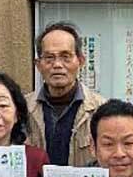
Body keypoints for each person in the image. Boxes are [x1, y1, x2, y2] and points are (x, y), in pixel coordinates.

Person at [25, 22, 109, 167]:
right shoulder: (22, 109)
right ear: (38, 65)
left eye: (66, 56)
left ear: (80, 61)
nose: (57, 65)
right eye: (49, 58)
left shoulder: (101, 109)